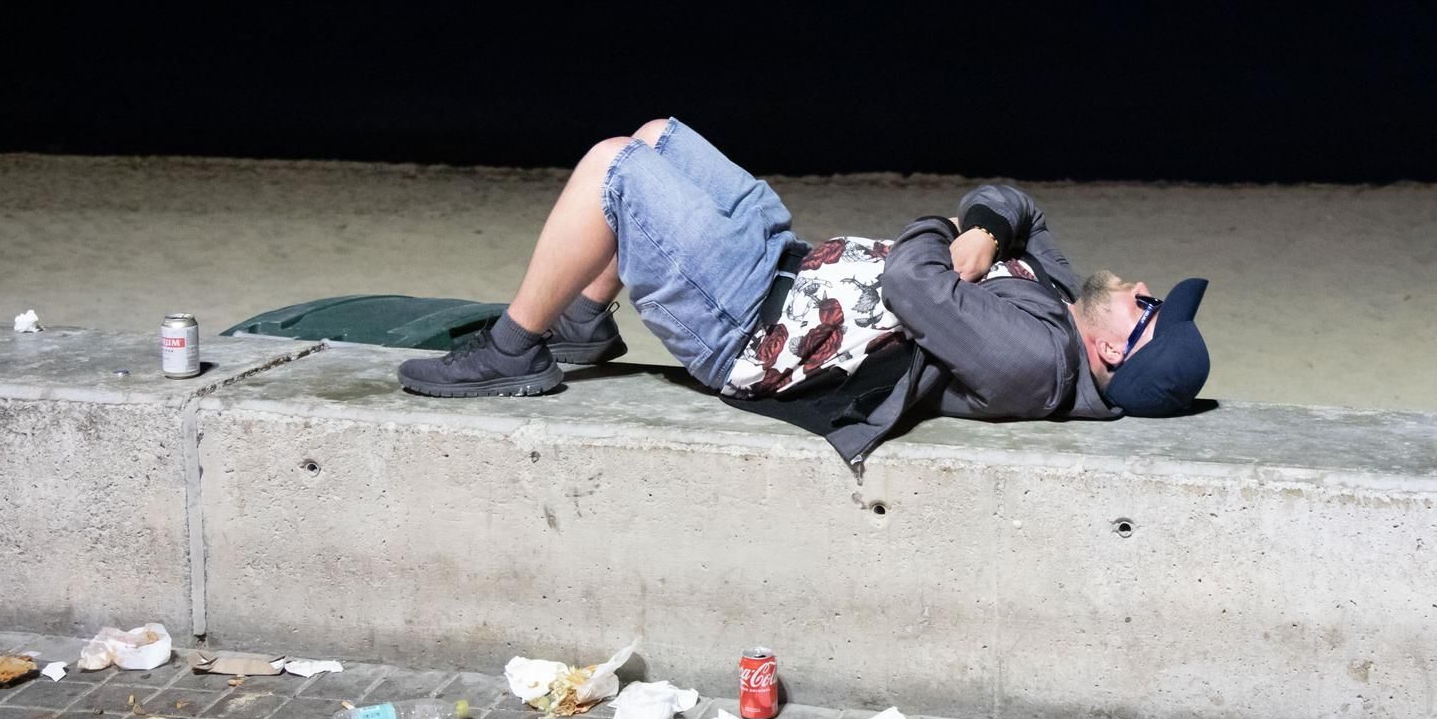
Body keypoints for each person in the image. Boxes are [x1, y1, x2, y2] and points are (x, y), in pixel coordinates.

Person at [396, 118, 1211, 472]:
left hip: (753, 328)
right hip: (786, 260)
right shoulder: (1066, 296)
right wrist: (988, 229)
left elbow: (908, 282)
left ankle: (514, 350)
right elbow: (1015, 199)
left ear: (1111, 352)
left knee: (615, 164)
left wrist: (939, 224)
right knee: (656, 135)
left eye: (1147, 311)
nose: (1142, 290)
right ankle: (581, 321)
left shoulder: (1036, 362)